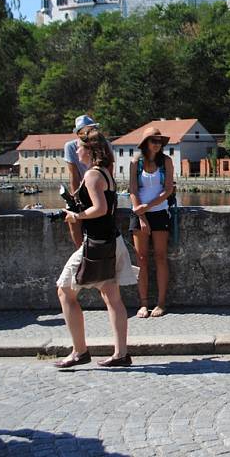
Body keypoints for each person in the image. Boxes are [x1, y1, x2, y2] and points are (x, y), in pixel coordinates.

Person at [55, 129, 139, 368]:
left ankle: (80, 351)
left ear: (90, 151)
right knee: (112, 297)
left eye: (79, 147)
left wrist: (75, 216)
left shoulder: (92, 175)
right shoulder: (105, 173)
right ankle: (121, 353)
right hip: (110, 241)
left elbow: (100, 209)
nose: (76, 150)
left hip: (94, 244)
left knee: (64, 291)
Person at [130, 126, 175, 319]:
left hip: (159, 212)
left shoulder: (166, 161)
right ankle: (143, 304)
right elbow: (132, 189)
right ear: (145, 143)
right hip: (139, 213)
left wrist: (146, 208)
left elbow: (167, 190)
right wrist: (141, 215)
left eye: (159, 141)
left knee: (160, 257)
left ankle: (161, 303)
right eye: (153, 141)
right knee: (141, 260)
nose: (157, 144)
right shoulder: (135, 162)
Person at [64, 115, 114, 249]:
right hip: (83, 188)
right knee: (75, 222)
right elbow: (73, 175)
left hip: (97, 184)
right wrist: (76, 198)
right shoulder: (71, 146)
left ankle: (85, 253)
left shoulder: (104, 144)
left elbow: (109, 170)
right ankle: (81, 250)